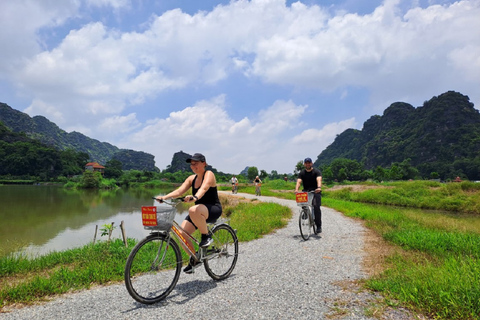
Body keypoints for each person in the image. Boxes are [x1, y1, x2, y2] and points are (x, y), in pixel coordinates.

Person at [154, 153, 222, 273]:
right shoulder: (192, 178)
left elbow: (204, 188)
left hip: (212, 209)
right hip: (198, 212)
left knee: (192, 209)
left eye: (195, 163)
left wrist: (195, 197)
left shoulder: (209, 174)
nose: (193, 166)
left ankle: (206, 237)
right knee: (181, 234)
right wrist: (165, 197)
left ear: (204, 163)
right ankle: (195, 258)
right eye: (191, 164)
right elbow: (180, 191)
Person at [295, 157, 322, 233]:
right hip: (306, 191)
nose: (307, 164)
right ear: (304, 164)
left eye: (309, 163)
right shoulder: (302, 173)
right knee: (302, 203)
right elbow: (299, 182)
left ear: (311, 163)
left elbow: (319, 179)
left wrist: (319, 187)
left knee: (316, 207)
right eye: (306, 163)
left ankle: (319, 226)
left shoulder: (316, 172)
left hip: (315, 191)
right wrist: (296, 189)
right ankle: (306, 212)